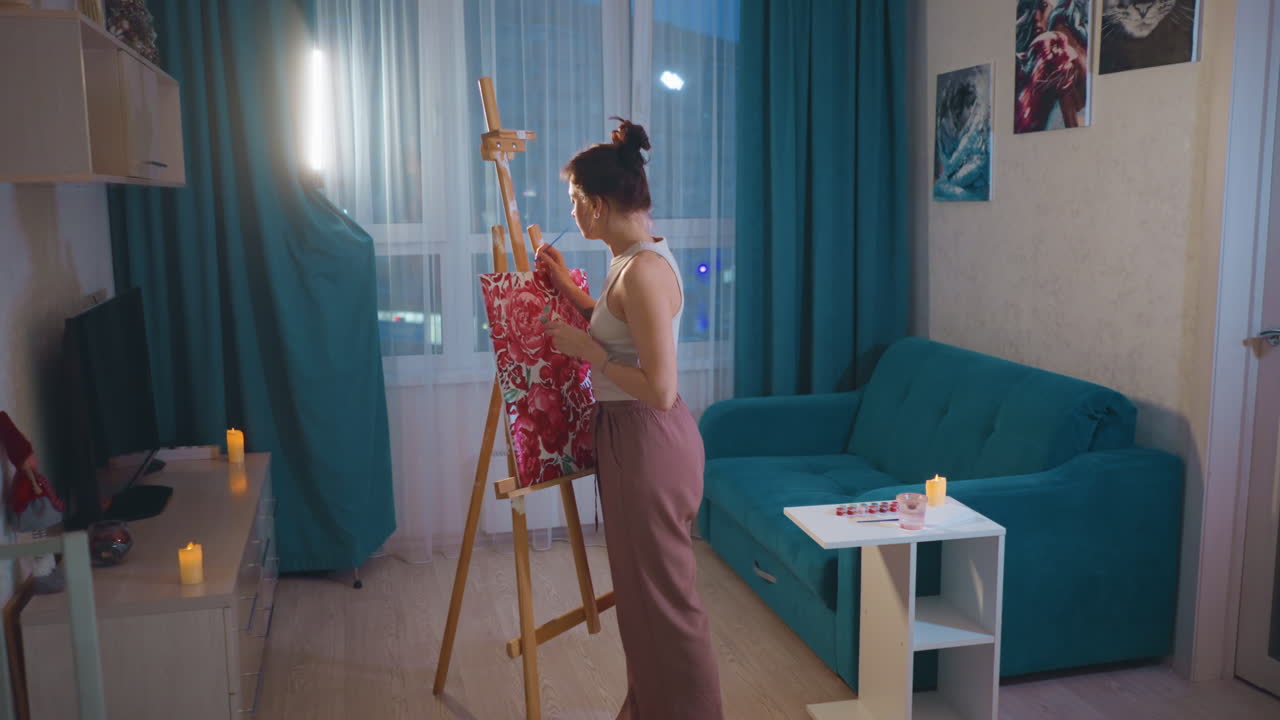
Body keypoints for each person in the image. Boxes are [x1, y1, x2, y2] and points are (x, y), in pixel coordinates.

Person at [536, 118, 724, 720]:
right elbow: (620, 326)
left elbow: (661, 390)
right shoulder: (630, 260)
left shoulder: (642, 271)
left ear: (597, 204)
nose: (573, 212)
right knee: (645, 607)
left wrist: (588, 353)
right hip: (635, 439)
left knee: (664, 608)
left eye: (574, 201)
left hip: (648, 440)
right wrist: (567, 288)